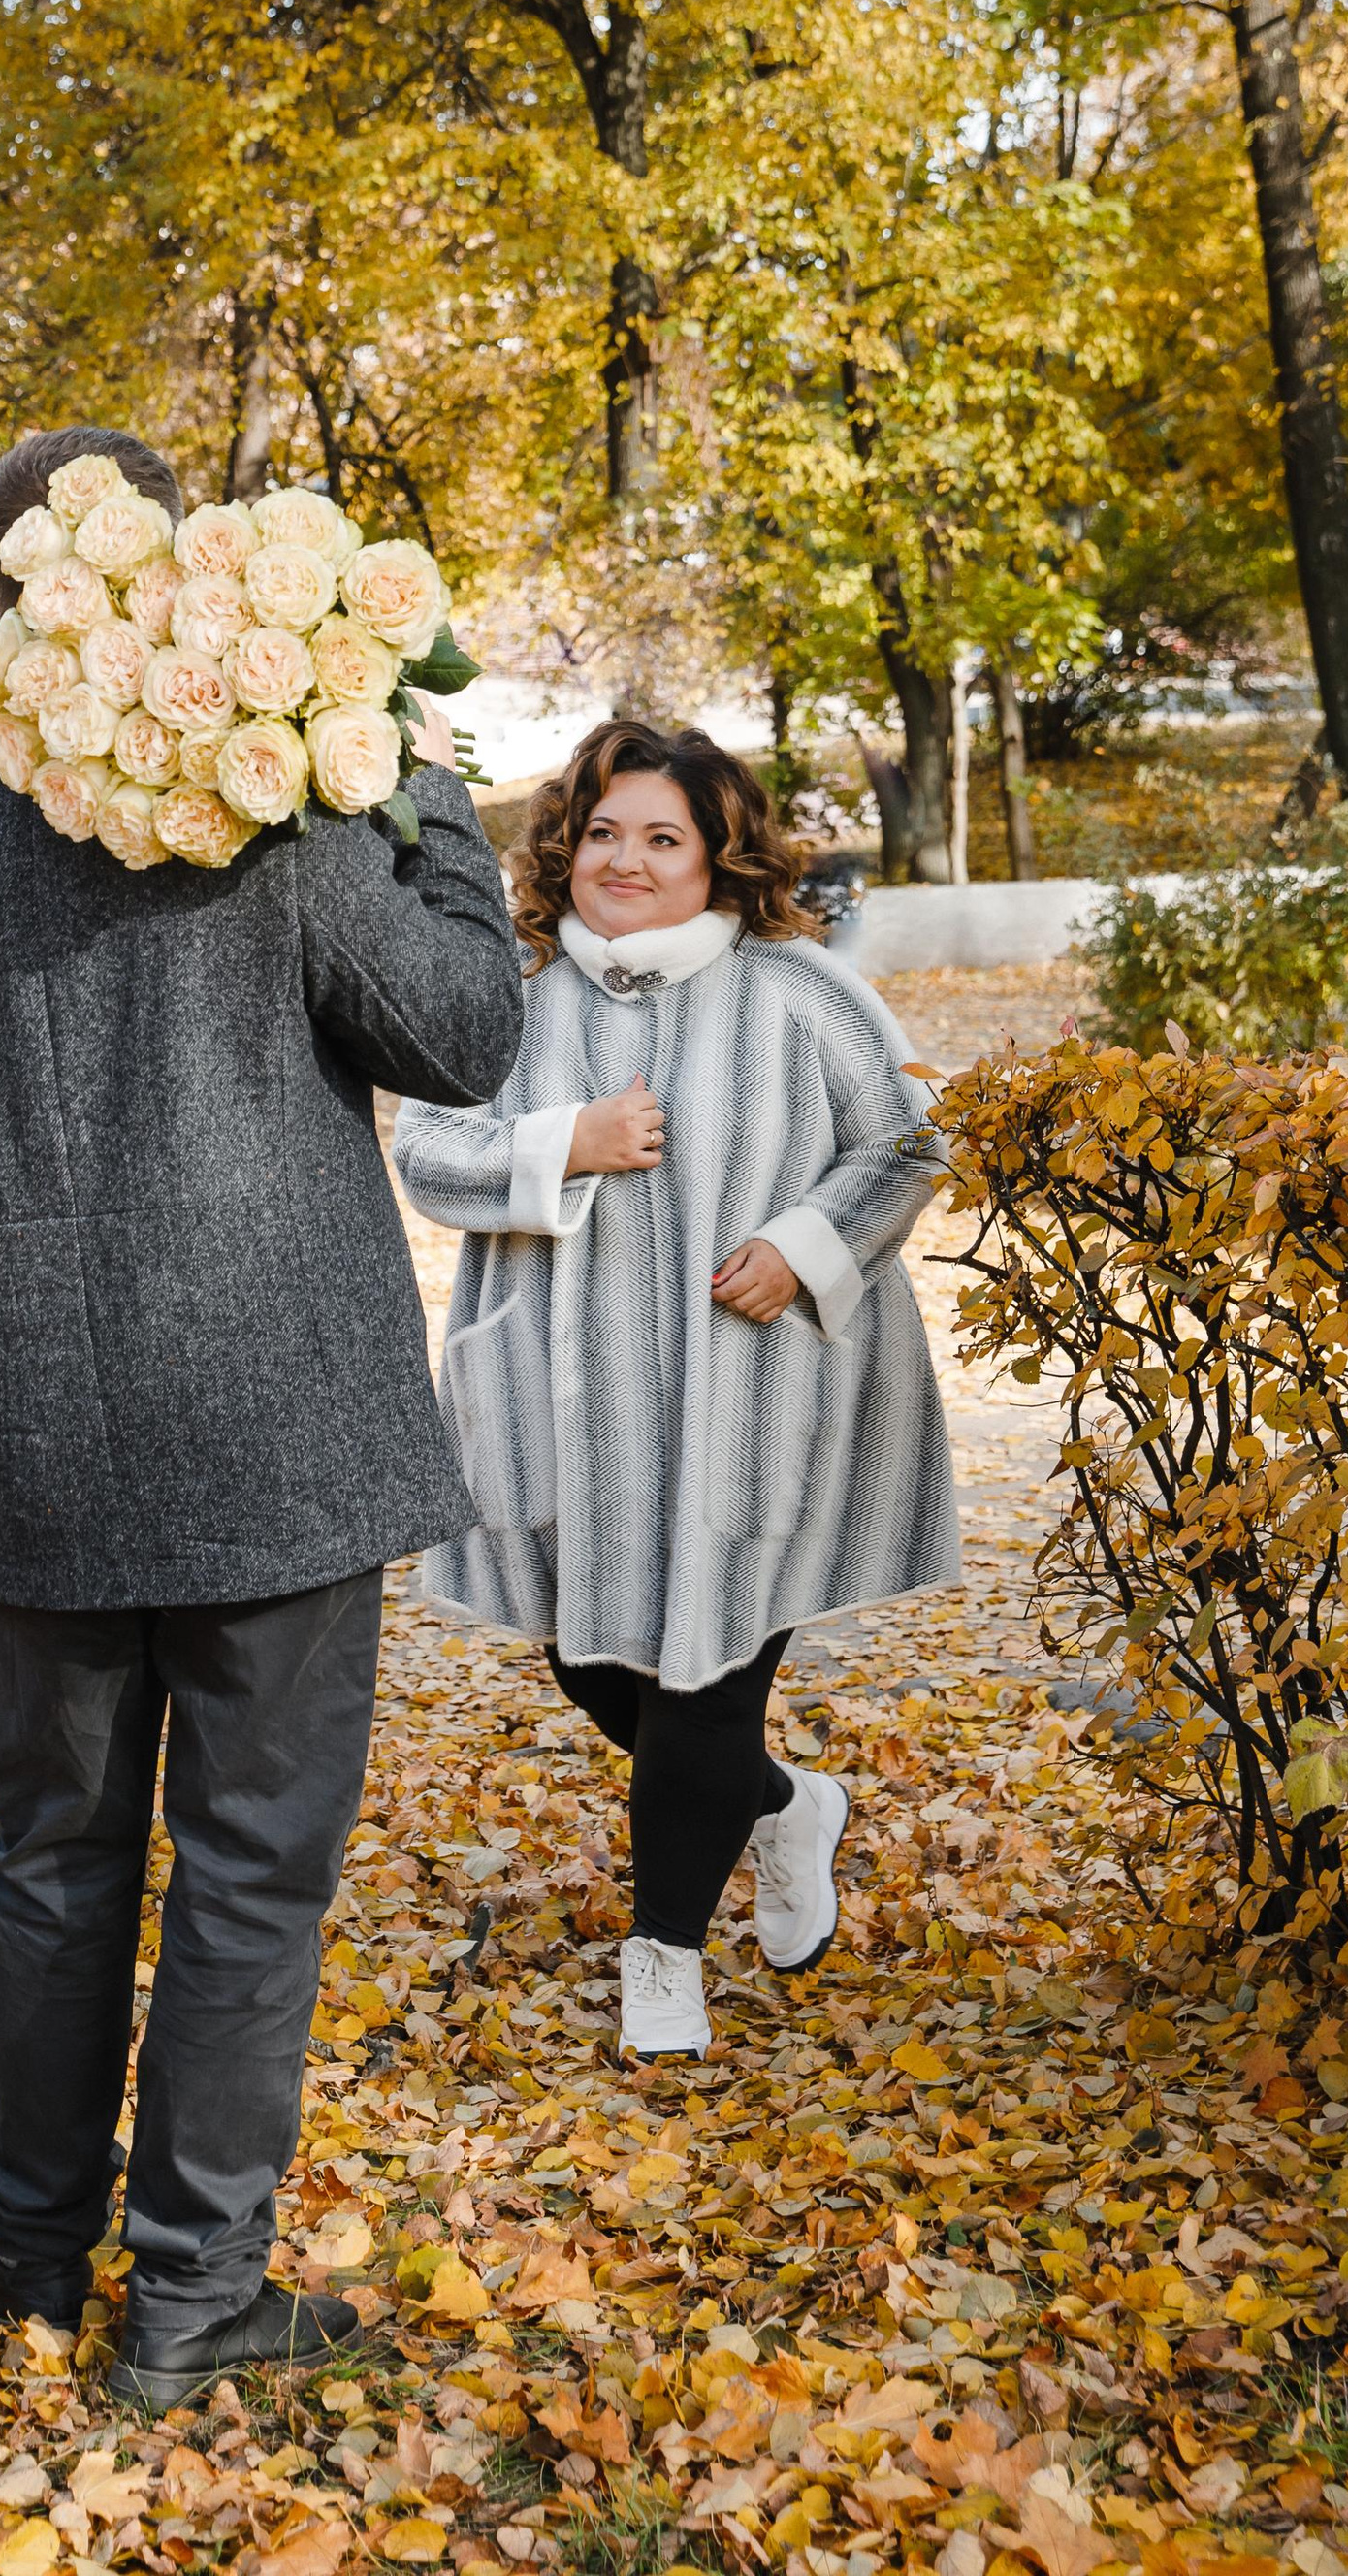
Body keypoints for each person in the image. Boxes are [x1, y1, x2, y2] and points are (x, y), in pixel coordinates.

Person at [0, 424, 524, 2410]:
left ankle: (27, 2262)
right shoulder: (276, 809)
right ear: (187, 580)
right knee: (252, 1873)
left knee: (49, 1862)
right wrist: (431, 793)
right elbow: (460, 1037)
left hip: (39, 1438)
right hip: (277, 1445)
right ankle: (190, 2302)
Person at [394, 719, 957, 2061]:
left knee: (707, 1666)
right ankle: (781, 1803)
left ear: (720, 858)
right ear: (564, 847)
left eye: (663, 838)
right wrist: (565, 1143)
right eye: (603, 834)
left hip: (751, 1403)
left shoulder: (797, 994)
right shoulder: (516, 997)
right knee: (587, 1654)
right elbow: (427, 1151)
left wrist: (802, 1245)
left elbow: (908, 1139)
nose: (627, 862)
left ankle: (667, 1958)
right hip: (560, 1403)